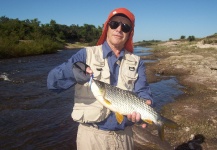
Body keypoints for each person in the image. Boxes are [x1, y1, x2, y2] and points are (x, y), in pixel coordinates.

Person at [47, 7, 153, 150]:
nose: (119, 29)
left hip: (125, 137)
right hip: (91, 137)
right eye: (114, 24)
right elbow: (52, 83)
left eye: (125, 26)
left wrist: (147, 104)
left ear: (130, 33)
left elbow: (143, 91)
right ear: (107, 27)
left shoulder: (137, 61)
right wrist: (73, 71)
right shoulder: (85, 54)